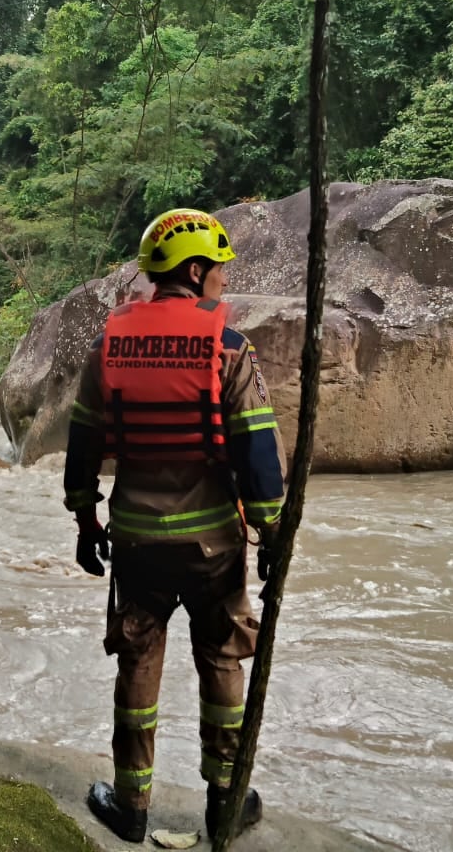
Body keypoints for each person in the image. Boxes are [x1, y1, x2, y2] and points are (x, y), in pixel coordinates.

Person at [63, 207, 287, 843]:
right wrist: (271, 535)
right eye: (218, 270)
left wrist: (85, 521)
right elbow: (257, 453)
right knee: (222, 658)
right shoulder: (228, 346)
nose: (222, 280)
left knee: (138, 662)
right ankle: (224, 803)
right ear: (194, 269)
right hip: (214, 543)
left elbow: (82, 447)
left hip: (135, 541)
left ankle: (131, 807)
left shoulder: (110, 346)